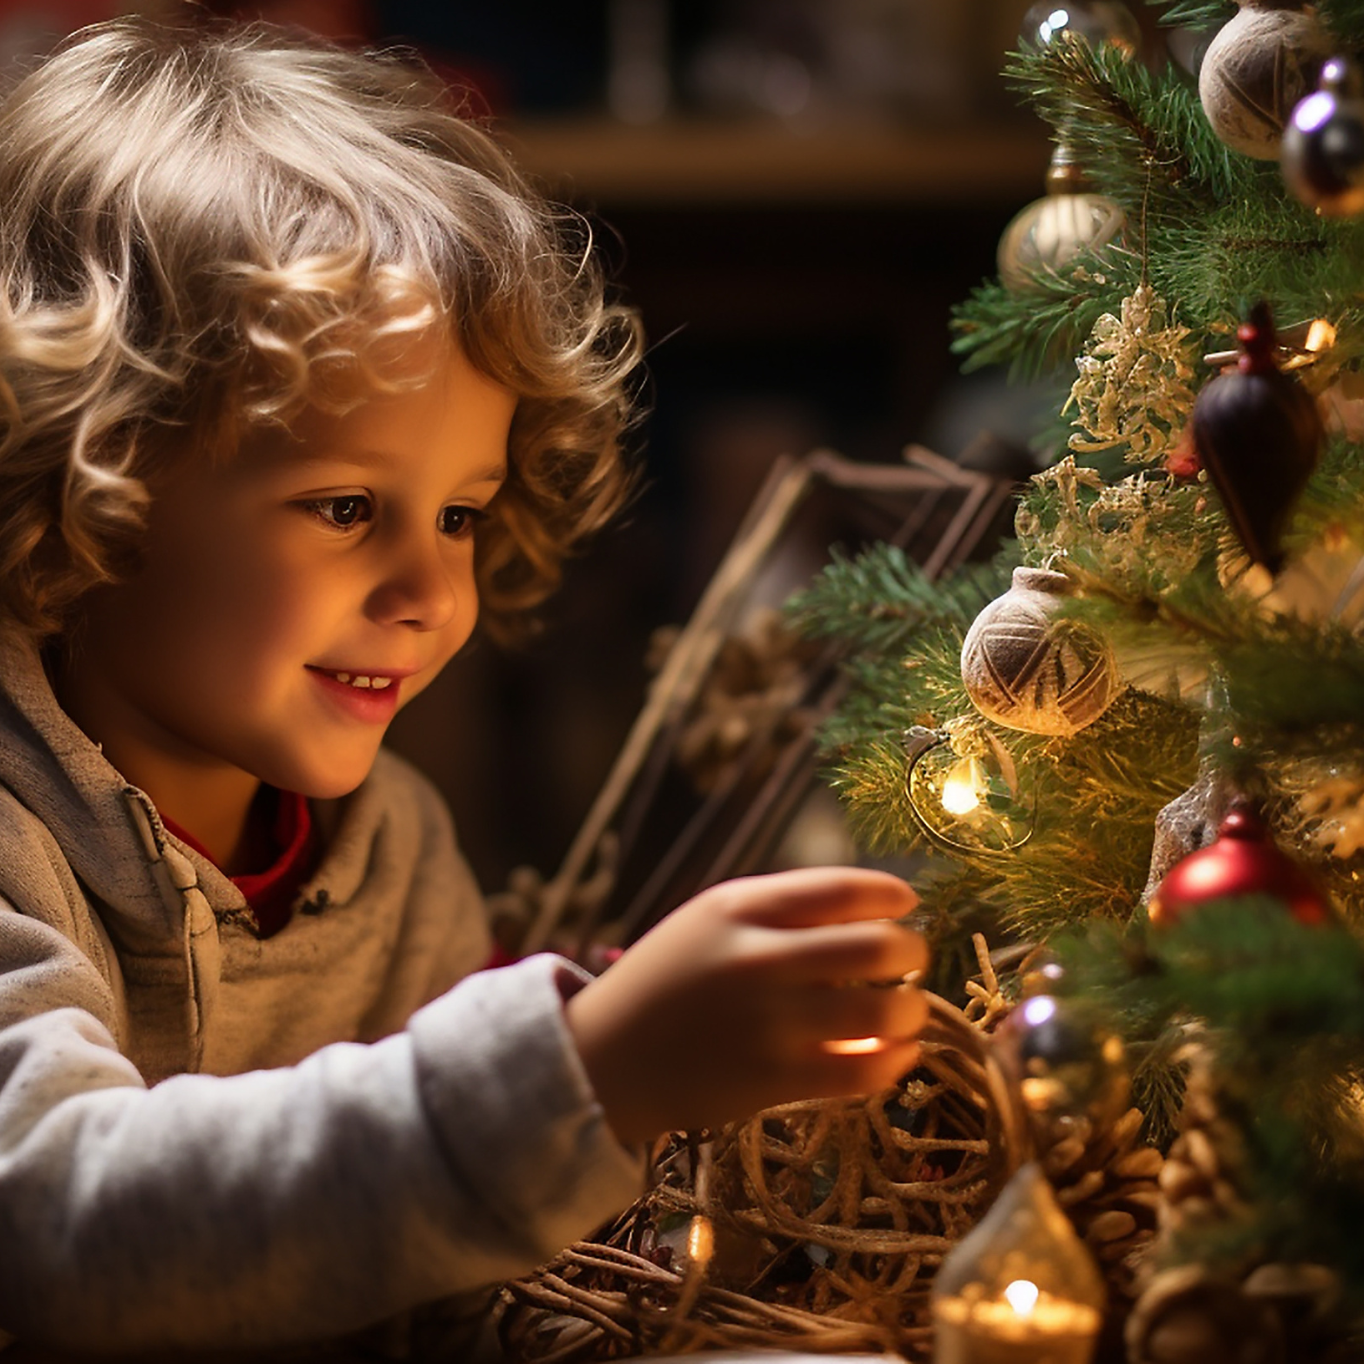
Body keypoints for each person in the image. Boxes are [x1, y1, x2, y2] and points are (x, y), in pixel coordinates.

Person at [0, 15, 930, 1356]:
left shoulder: (396, 857)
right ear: (85, 482)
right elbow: (62, 1233)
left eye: (458, 516)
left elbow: (440, 1295)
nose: (432, 593)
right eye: (341, 507)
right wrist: (582, 1073)